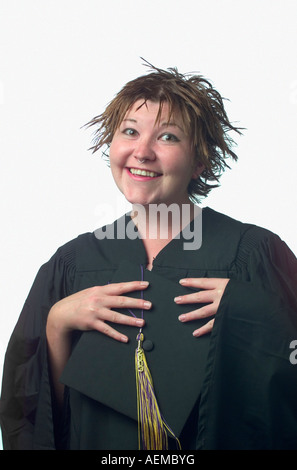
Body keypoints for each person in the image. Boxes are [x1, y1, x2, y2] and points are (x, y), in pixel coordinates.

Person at [0, 61, 297, 451]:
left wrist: (248, 310)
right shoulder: (72, 263)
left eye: (168, 137)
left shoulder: (253, 253)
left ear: (201, 159)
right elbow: (30, 416)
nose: (142, 152)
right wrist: (57, 324)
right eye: (129, 131)